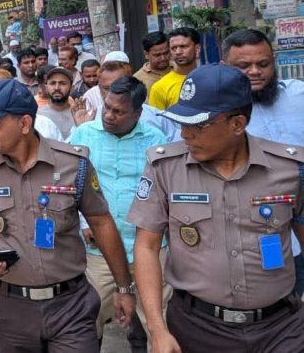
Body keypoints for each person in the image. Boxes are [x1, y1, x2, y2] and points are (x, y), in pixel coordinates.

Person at [128, 64, 304, 352]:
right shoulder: (165, 168)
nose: (185, 134)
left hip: (280, 329)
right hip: (197, 328)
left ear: (237, 124)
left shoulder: (289, 169)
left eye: (198, 125)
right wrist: (157, 329)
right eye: (181, 123)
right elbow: (146, 246)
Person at [0, 79, 135, 352]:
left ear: (25, 124)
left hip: (70, 306)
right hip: (10, 308)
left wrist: (124, 288)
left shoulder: (73, 164)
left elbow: (101, 221)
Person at [69, 77, 169, 352]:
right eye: (107, 107)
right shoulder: (82, 136)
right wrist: (80, 222)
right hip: (97, 251)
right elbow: (66, 186)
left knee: (158, 323)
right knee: (86, 321)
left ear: (138, 113)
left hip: (148, 248)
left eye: (119, 111)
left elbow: (166, 190)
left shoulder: (157, 141)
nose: (109, 115)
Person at [222, 28, 304, 295]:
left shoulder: (299, 96)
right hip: (254, 234)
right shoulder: (213, 114)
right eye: (244, 66)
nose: (255, 71)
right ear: (225, 67)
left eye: (263, 64)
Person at [149, 27, 200, 110]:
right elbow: (156, 122)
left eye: (183, 46)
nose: (178, 52)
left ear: (197, 48)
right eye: (173, 48)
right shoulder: (159, 88)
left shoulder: (211, 79)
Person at [38, 67, 80, 139]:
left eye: (63, 83)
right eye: (52, 83)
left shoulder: (79, 115)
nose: (57, 88)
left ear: (72, 87)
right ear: (46, 87)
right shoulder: (38, 116)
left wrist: (82, 125)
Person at [133, 31, 172, 97]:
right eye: (157, 55)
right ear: (146, 54)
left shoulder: (179, 69)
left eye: (166, 53)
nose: (163, 58)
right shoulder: (137, 80)